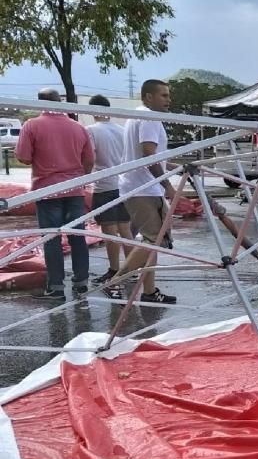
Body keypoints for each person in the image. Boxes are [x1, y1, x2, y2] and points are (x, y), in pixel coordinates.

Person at [14, 88, 94, 299]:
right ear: (61, 102)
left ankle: (56, 287)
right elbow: (90, 159)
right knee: (78, 237)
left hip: (48, 190)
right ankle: (81, 282)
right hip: (75, 189)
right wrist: (79, 178)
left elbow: (23, 157)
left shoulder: (32, 125)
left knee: (52, 239)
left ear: (40, 103)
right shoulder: (78, 127)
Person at [107, 79, 177, 304]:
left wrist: (173, 167)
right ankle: (115, 282)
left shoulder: (136, 115)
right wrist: (168, 185)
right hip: (144, 187)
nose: (168, 100)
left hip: (137, 185)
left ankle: (149, 292)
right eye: (164, 95)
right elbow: (149, 153)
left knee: (152, 240)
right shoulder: (150, 117)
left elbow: (146, 155)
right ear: (148, 97)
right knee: (154, 237)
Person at [86, 94, 134, 284]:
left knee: (109, 230)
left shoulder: (91, 131)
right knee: (125, 228)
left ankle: (114, 269)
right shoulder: (122, 131)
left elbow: (90, 157)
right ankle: (132, 267)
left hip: (104, 185)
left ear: (92, 110)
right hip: (124, 184)